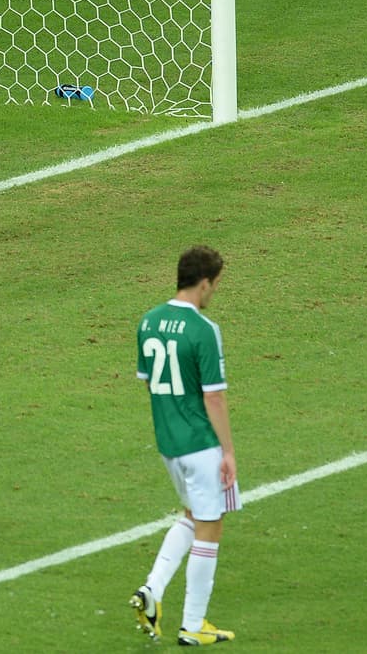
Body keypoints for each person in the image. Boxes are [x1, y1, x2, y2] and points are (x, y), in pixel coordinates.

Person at [130, 246, 240, 646]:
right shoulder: (202, 329)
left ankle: (152, 591)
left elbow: (148, 380)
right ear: (205, 282)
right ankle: (193, 625)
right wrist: (227, 451)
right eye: (215, 286)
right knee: (210, 528)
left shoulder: (148, 321)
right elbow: (215, 397)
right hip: (200, 442)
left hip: (168, 443)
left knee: (192, 514)